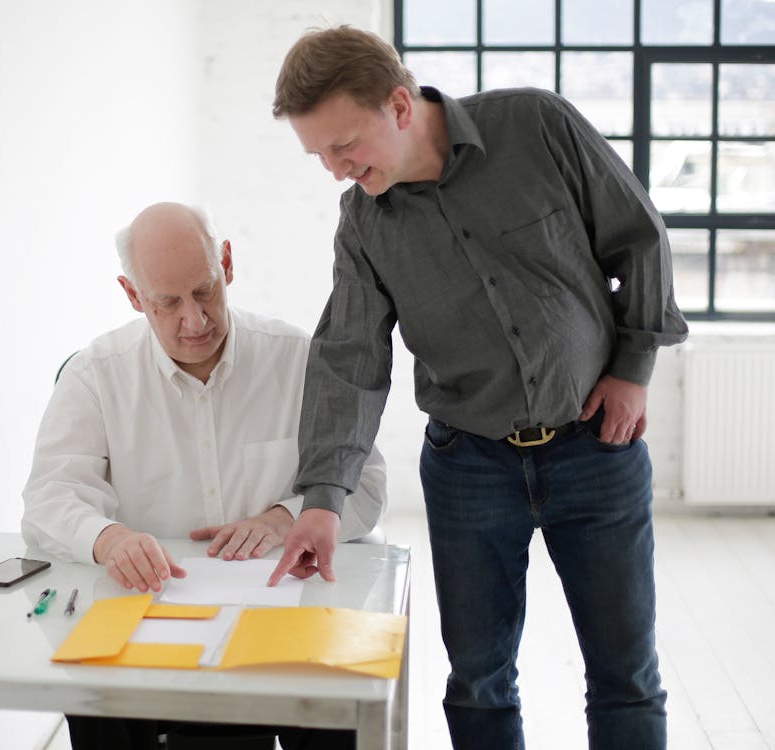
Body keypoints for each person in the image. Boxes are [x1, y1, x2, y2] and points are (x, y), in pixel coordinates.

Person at [267, 25, 688, 750]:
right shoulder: (364, 223)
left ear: (399, 105)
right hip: (468, 468)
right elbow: (349, 357)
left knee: (626, 674)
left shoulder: (535, 124)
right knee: (478, 681)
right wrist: (322, 500)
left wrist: (632, 369)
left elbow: (638, 236)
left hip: (596, 447)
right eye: (319, 155)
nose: (335, 170)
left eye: (343, 147)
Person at [22, 201, 386, 750]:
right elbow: (49, 498)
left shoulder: (297, 359)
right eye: (167, 303)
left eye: (205, 290)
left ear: (228, 264)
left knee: (343, 703)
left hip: (282, 618)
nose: (194, 321)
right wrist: (109, 538)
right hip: (149, 619)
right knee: (90, 696)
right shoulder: (97, 375)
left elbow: (370, 482)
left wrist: (284, 519)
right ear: (132, 295)